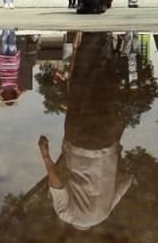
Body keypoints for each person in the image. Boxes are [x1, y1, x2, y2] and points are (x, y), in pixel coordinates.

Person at [37, 32, 133, 229]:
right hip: (78, 143)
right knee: (81, 85)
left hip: (106, 142)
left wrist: (116, 152)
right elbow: (57, 185)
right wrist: (46, 156)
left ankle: (105, 42)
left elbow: (127, 180)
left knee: (103, 89)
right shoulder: (67, 215)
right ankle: (92, 38)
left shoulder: (105, 212)